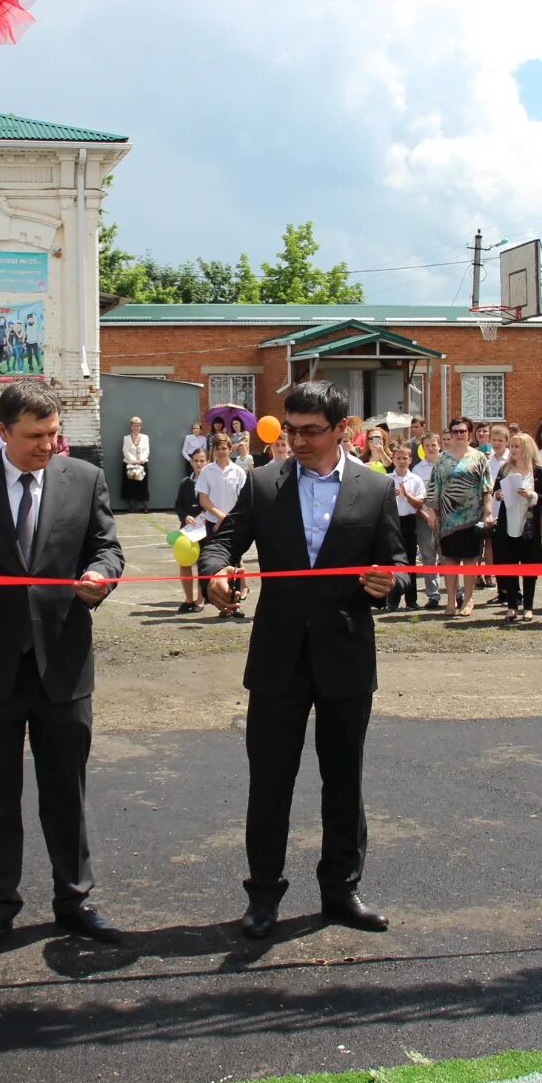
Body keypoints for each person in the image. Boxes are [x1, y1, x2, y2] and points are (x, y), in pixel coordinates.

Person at [0, 379, 125, 953]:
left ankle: (75, 899)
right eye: (35, 436)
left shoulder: (84, 479)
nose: (49, 445)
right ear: (2, 432)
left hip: (62, 663)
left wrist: (101, 578)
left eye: (55, 434)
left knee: (67, 791)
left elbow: (107, 548)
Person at [199, 380, 402, 939]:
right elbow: (224, 541)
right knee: (270, 781)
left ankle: (341, 890)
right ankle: (263, 895)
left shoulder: (375, 488)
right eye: (291, 430)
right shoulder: (264, 484)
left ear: (343, 431)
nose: (299, 441)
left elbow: (397, 561)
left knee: (344, 780)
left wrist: (389, 582)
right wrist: (215, 572)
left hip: (345, 653)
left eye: (312, 431)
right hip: (278, 656)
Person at [427, 418, 491, 618]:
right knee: (450, 560)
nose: (459, 434)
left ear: (469, 433)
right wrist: (432, 511)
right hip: (448, 519)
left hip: (472, 517)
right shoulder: (442, 459)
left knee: (471, 559)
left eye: (462, 431)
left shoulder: (479, 458)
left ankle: (469, 599)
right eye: (455, 431)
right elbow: (434, 486)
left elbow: (487, 488)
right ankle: (451, 600)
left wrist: (488, 511)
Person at [490, 433, 542, 623]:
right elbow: (496, 491)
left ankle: (529, 607)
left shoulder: (538, 471)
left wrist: (531, 495)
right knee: (510, 564)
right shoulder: (505, 468)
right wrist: (498, 494)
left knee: (529, 566)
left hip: (529, 523)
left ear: (527, 449)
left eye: (517, 446)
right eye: (512, 446)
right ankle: (512, 606)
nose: (513, 449)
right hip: (509, 522)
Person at [196, 435, 249, 618]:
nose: (221, 451)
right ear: (213, 450)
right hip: (213, 523)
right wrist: (220, 517)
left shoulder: (238, 472)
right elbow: (203, 499)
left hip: (233, 523)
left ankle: (236, 603)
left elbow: (243, 500)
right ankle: (223, 606)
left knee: (235, 564)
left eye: (224, 448)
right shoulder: (207, 471)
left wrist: (227, 519)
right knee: (217, 564)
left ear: (230, 449)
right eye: (217, 448)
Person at [386, 445, 427, 611]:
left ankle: (411, 600)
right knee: (393, 562)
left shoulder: (415, 479)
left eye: (405, 458)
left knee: (410, 562)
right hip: (393, 522)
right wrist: (391, 495)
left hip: (409, 521)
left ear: (410, 460)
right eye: (398, 458)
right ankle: (393, 600)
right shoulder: (388, 478)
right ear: (393, 460)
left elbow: (420, 503)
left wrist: (406, 495)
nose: (402, 461)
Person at [173, 447, 208, 614]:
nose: (199, 463)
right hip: (187, 530)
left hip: (205, 530)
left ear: (207, 462)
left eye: (202, 460)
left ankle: (200, 601)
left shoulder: (211, 481)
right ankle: (188, 599)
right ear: (191, 462)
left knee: (203, 564)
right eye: (196, 460)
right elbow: (178, 505)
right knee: (184, 563)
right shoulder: (185, 482)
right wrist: (185, 516)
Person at [411, 435, 441, 604]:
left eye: (434, 444)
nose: (431, 448)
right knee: (428, 557)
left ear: (439, 446)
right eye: (427, 445)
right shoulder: (417, 470)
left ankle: (457, 593)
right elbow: (416, 498)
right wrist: (426, 514)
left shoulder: (446, 464)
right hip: (424, 517)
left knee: (447, 557)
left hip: (445, 518)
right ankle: (433, 595)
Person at [119, 416, 151, 513]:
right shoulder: (126, 438)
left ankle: (145, 506)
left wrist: (141, 460)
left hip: (142, 464)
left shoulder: (145, 437)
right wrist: (134, 461)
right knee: (130, 485)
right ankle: (132, 506)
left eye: (138, 426)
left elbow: (147, 450)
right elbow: (125, 451)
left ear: (140, 426)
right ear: (131, 426)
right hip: (129, 464)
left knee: (143, 485)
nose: (136, 428)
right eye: (134, 426)